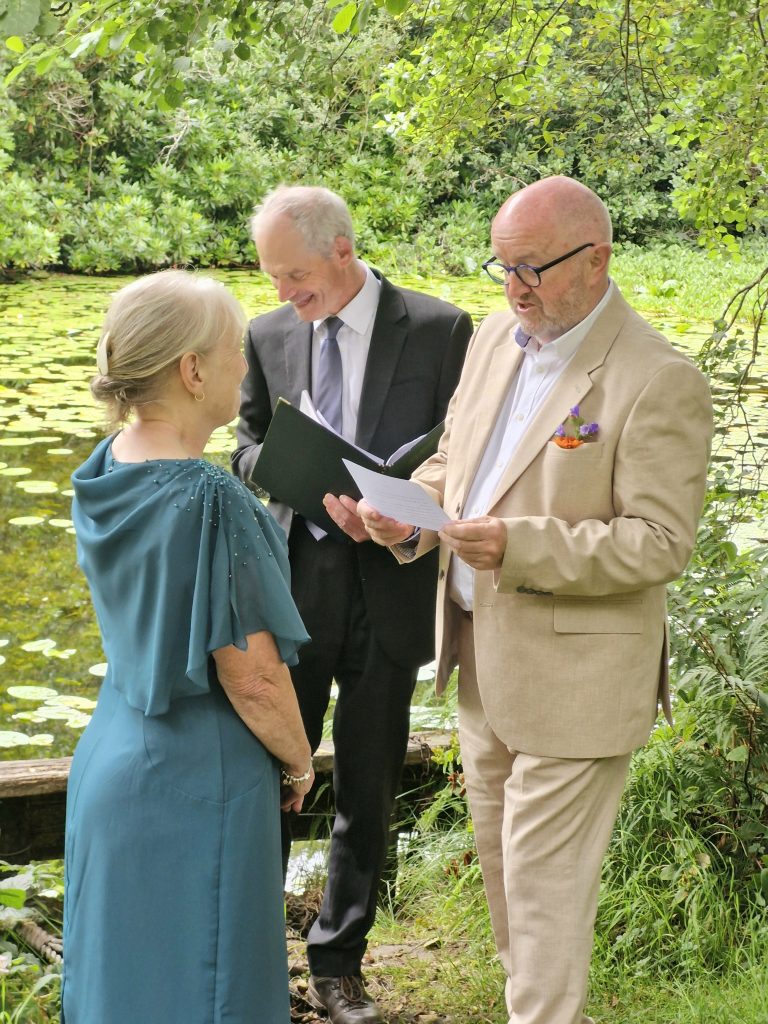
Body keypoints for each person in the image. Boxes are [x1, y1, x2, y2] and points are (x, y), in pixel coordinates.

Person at [354, 176, 713, 1024]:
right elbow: (459, 468)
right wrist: (401, 514)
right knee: (511, 888)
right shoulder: (493, 341)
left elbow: (661, 542)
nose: (514, 287)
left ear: (597, 260)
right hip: (482, 664)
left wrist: (523, 546)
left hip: (581, 677)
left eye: (532, 268)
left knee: (545, 891)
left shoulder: (658, 377)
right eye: (502, 267)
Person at [232, 185, 472, 1023]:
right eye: (271, 278)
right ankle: (254, 958)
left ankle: (339, 964)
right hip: (294, 586)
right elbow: (247, 442)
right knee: (270, 774)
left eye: (293, 274)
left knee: (368, 785)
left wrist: (397, 510)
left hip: (391, 583)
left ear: (342, 250)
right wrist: (284, 473)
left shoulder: (442, 331)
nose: (282, 295)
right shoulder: (265, 336)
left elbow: (462, 453)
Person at [63, 270, 313, 1024]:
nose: (245, 364)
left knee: (126, 988)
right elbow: (252, 676)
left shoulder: (107, 466)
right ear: (193, 369)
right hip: (193, 780)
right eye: (233, 347)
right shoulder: (211, 498)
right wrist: (300, 758)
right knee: (206, 989)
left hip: (112, 758)